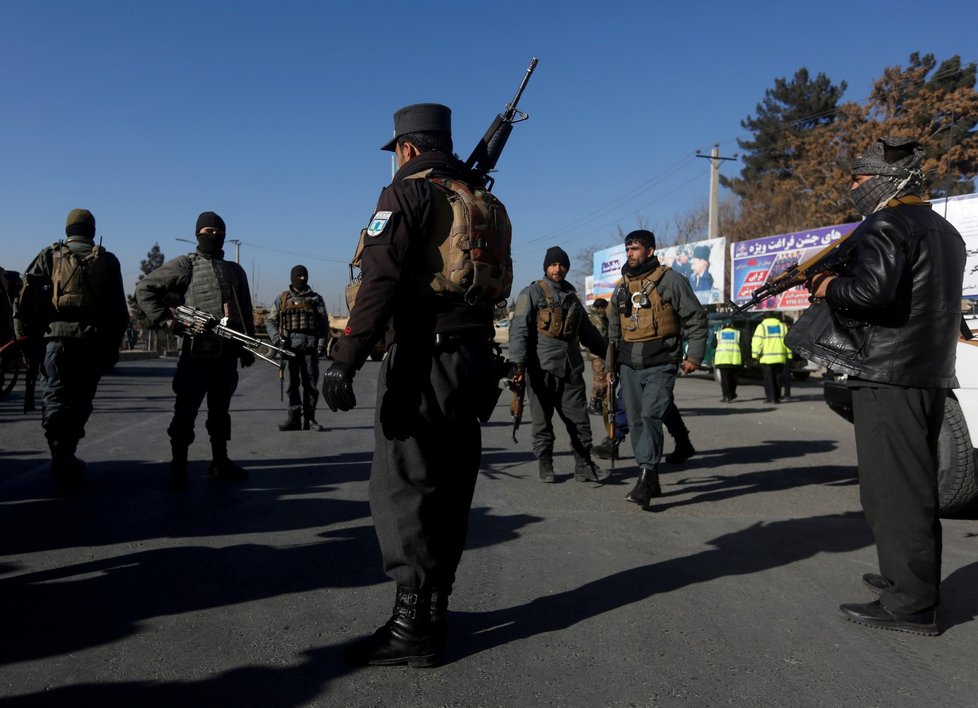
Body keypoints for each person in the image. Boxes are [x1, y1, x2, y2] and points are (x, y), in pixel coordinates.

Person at [322, 103, 507, 666]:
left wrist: (346, 357)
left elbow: (380, 275)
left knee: (403, 487)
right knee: (450, 487)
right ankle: (433, 615)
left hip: (423, 358)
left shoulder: (407, 194)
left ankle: (409, 628)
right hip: (474, 360)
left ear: (404, 149)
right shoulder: (482, 200)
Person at [787, 135, 965, 635]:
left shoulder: (887, 223)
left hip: (890, 373)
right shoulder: (944, 231)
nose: (853, 187)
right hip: (926, 371)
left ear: (888, 181)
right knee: (907, 486)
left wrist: (825, 286)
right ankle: (904, 581)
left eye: (860, 179)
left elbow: (871, 293)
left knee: (894, 492)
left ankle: (910, 604)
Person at [135, 212, 255, 491]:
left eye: (218, 231)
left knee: (220, 411)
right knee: (185, 411)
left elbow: (245, 310)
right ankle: (179, 467)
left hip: (226, 354)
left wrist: (247, 345)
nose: (213, 236)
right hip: (195, 353)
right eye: (207, 230)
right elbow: (145, 289)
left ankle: (220, 461)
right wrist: (168, 321)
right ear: (198, 233)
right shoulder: (185, 265)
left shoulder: (234, 271)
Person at [12, 209, 128, 488]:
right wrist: (112, 349)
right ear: (91, 230)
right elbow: (118, 313)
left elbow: (23, 301)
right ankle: (68, 452)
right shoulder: (107, 260)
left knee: (55, 397)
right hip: (92, 344)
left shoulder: (48, 255)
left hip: (55, 342)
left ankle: (59, 452)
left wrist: (24, 340)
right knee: (81, 399)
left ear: (68, 230)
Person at [607, 229, 707, 509]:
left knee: (652, 415)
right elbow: (614, 331)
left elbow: (696, 318)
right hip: (628, 364)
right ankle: (650, 477)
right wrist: (609, 366)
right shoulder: (622, 286)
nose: (630, 253)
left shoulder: (671, 280)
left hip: (661, 363)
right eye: (627, 249)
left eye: (636, 248)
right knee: (637, 421)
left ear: (650, 251)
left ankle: (645, 478)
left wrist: (694, 356)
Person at [509, 247, 608, 483]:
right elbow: (519, 330)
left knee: (580, 421)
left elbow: (589, 333)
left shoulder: (572, 298)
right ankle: (545, 465)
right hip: (540, 368)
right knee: (542, 422)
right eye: (553, 265)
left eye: (562, 265)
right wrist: (518, 365)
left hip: (571, 369)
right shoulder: (531, 293)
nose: (558, 269)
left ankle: (584, 466)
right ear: (546, 267)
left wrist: (612, 354)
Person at [266, 265, 329, 431]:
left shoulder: (316, 299)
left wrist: (321, 344)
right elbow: (270, 321)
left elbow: (323, 324)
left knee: (311, 386)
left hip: (310, 349)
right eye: (299, 275)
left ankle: (310, 419)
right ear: (293, 277)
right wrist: (276, 339)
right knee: (290, 385)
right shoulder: (282, 298)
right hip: (289, 350)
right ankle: (293, 419)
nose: (302, 278)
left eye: (304, 275)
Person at [751, 314, 790, 403]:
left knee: (769, 379)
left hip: (766, 358)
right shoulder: (782, 326)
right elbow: (787, 342)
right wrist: (789, 355)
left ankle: (770, 397)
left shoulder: (762, 326)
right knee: (778, 379)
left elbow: (757, 341)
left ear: (765, 318)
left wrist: (755, 355)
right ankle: (777, 398)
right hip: (780, 357)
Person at [586, 298, 609, 415]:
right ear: (601, 308)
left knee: (603, 378)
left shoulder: (598, 318)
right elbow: (601, 338)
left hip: (599, 353)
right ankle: (593, 403)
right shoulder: (597, 320)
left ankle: (599, 403)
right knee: (600, 379)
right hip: (598, 354)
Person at [713, 319, 742, 402]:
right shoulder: (737, 334)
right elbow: (743, 346)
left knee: (724, 379)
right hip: (734, 360)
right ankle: (732, 394)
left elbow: (713, 344)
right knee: (733, 379)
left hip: (722, 360)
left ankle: (726, 396)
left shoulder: (719, 334)